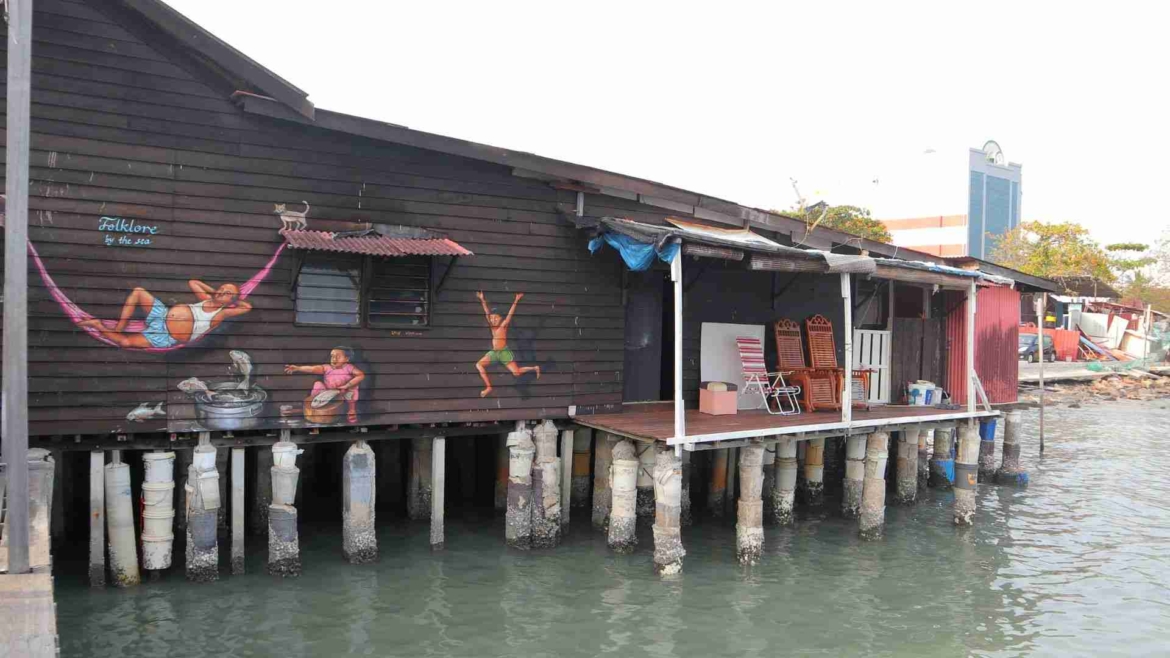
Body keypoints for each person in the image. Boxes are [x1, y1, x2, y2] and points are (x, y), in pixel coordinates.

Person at [80, 280, 252, 349]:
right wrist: (217, 291)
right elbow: (193, 282)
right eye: (222, 288)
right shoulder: (205, 299)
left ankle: (98, 325)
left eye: (227, 293)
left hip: (163, 335)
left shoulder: (221, 313)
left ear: (232, 301)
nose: (222, 292)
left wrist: (232, 301)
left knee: (125, 342)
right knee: (139, 291)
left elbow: (247, 307)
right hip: (161, 315)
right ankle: (120, 325)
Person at [476, 291, 541, 398]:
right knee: (479, 365)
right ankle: (488, 387)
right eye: (492, 318)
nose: (493, 320)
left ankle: (534, 368)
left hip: (504, 353)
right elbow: (486, 312)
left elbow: (510, 314)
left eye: (495, 318)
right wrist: (482, 299)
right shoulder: (492, 327)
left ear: (500, 318)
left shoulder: (503, 326)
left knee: (517, 373)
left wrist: (516, 300)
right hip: (494, 353)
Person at [285, 347, 365, 424]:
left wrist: (347, 385)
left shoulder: (349, 368)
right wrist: (298, 368)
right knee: (318, 384)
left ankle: (351, 410)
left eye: (338, 356)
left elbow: (361, 375)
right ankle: (316, 406)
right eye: (332, 356)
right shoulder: (327, 368)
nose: (334, 359)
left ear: (347, 359)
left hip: (343, 392)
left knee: (353, 387)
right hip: (328, 393)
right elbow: (313, 369)